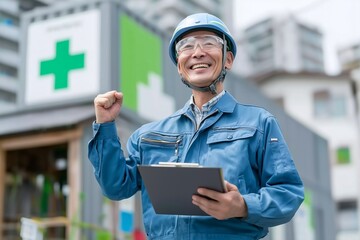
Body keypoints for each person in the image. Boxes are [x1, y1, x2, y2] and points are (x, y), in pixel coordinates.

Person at [88, 13, 304, 240]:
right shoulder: (148, 136)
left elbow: (288, 193)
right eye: (186, 46)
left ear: (228, 59)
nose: (197, 52)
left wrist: (242, 206)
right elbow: (115, 187)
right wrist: (105, 124)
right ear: (180, 66)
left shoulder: (259, 124)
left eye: (209, 43)